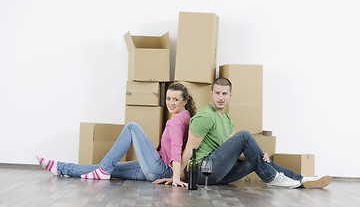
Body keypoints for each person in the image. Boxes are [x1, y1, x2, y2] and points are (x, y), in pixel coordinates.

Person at [155, 77, 331, 189]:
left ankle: (301, 180)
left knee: (258, 159)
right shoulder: (204, 117)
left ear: (230, 95)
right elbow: (188, 150)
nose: (221, 97)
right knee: (245, 135)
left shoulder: (227, 120)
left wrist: (259, 155)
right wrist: (176, 176)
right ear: (211, 94)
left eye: (224, 93)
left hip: (218, 171)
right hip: (202, 171)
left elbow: (236, 153)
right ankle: (273, 177)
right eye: (217, 93)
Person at [37, 83, 196, 187]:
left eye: (175, 99)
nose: (171, 102)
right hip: (158, 168)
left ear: (184, 101)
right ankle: (61, 168)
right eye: (168, 98)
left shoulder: (177, 121)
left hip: (161, 168)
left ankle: (103, 169)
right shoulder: (183, 117)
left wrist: (175, 178)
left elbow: (177, 149)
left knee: (132, 127)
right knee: (108, 169)